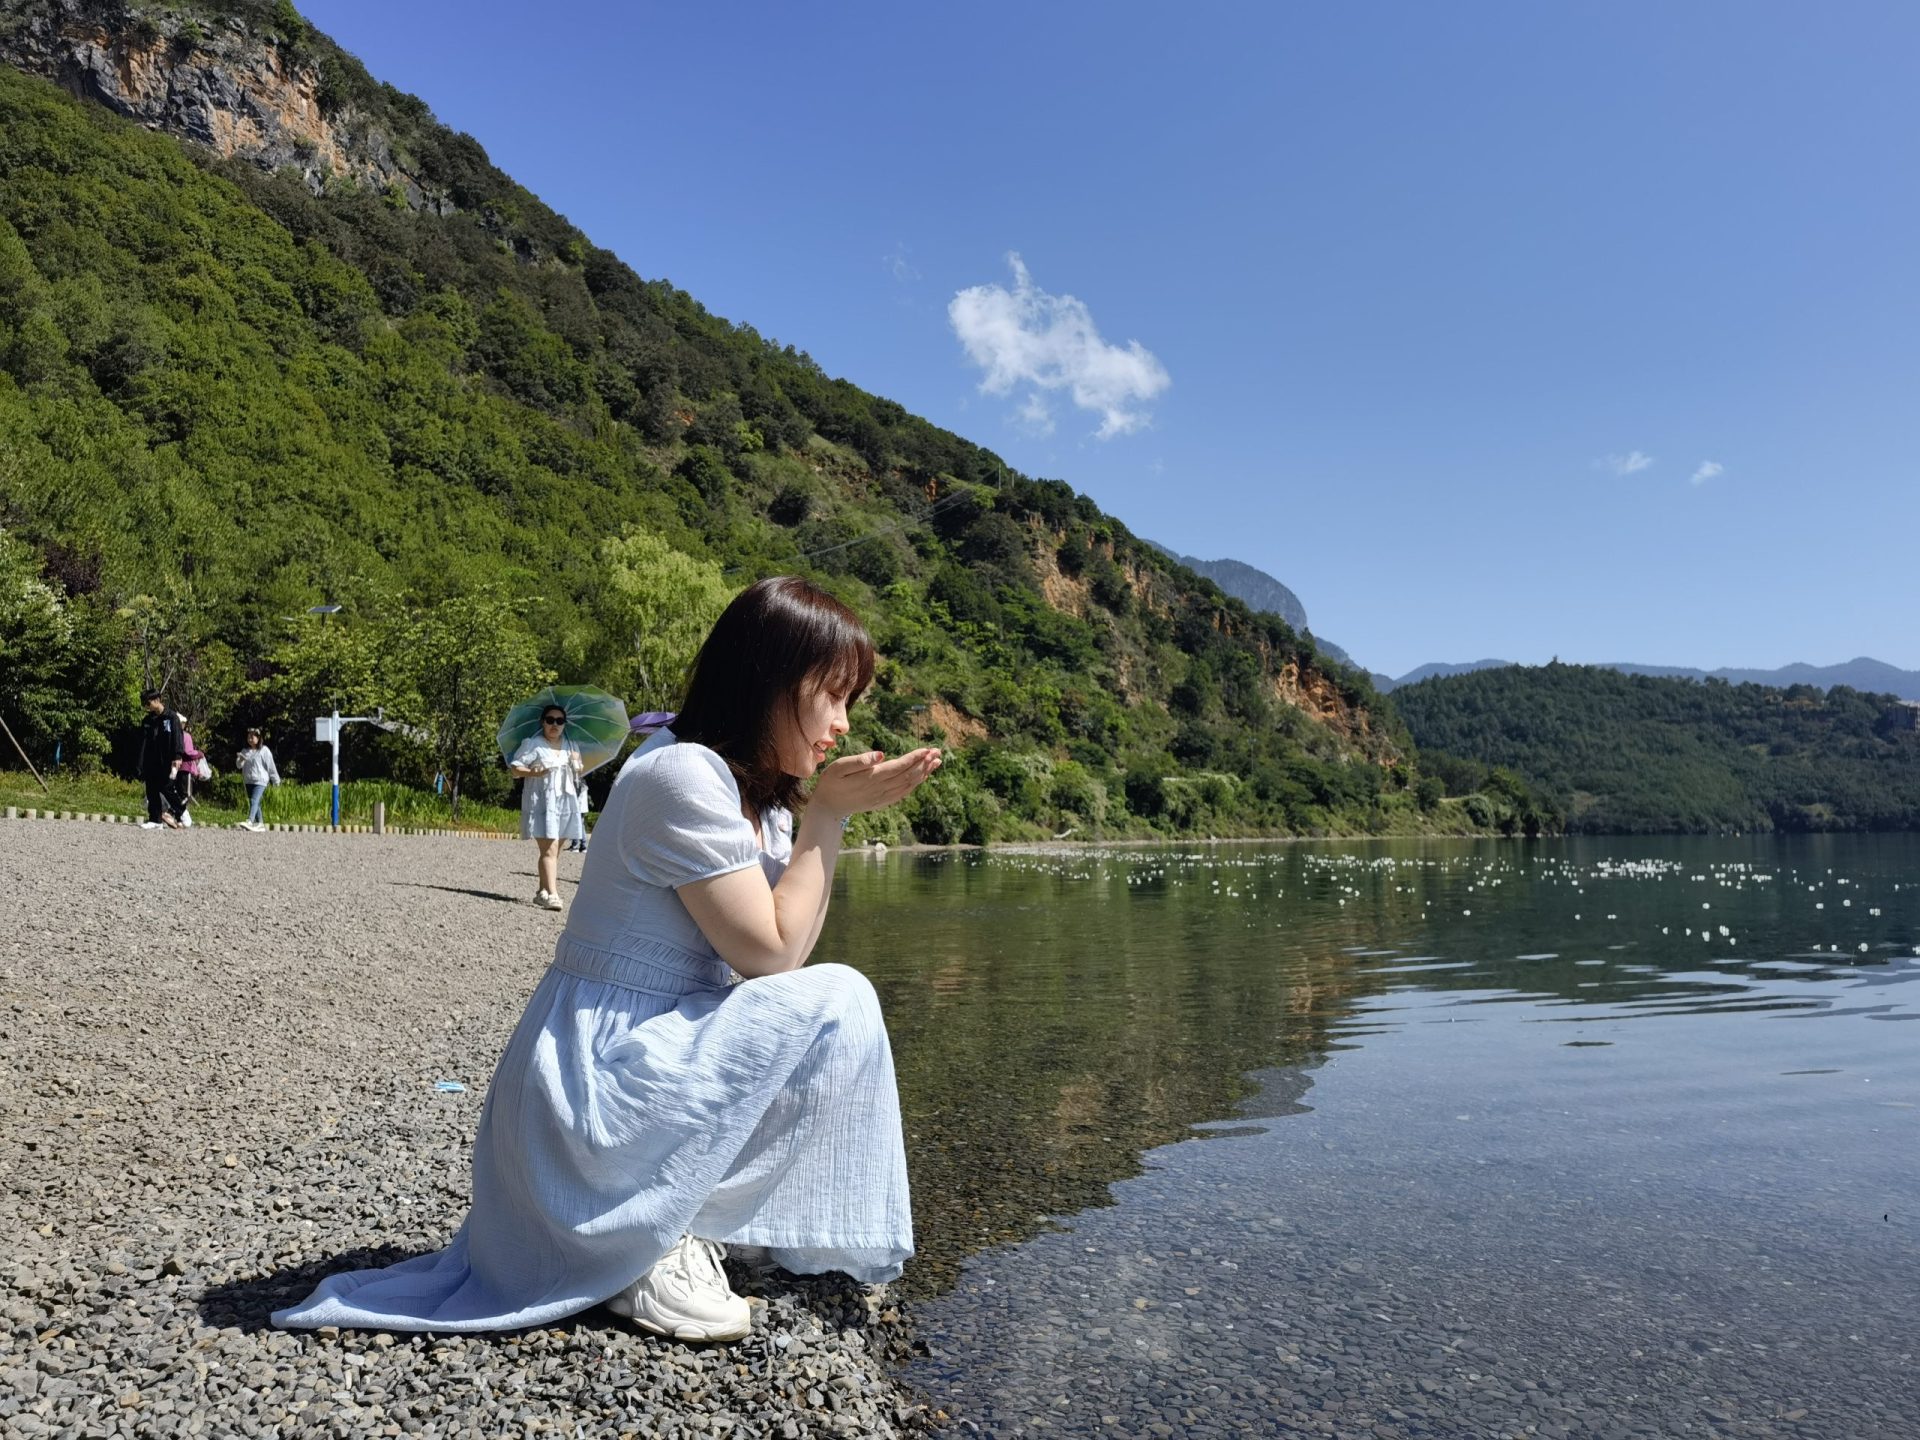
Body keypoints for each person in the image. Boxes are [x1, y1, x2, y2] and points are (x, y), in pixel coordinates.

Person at [273, 576, 942, 1342]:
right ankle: (652, 1240)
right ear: (771, 683)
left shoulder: (750, 800)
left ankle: (680, 1215)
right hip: (589, 1085)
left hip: (638, 1058)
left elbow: (782, 955)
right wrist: (830, 811)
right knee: (838, 999)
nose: (842, 722)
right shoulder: (681, 773)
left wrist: (817, 814)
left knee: (827, 1010)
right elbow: (770, 955)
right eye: (833, 695)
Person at [508, 706, 588, 910]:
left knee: (553, 852)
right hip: (542, 803)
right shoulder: (533, 744)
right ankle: (553, 895)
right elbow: (515, 769)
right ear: (542, 722)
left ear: (564, 724)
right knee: (549, 850)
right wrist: (534, 773)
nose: (555, 725)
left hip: (565, 802)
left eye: (559, 721)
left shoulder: (571, 746)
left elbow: (578, 773)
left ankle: (542, 891)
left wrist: (577, 763)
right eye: (550, 720)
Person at [136, 691, 185, 830]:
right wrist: (140, 762)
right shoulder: (148, 720)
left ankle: (181, 810)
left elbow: (177, 738)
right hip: (152, 759)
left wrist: (178, 756)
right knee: (151, 789)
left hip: (168, 760)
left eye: (148, 702)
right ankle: (155, 819)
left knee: (167, 787)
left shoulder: (172, 718)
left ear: (157, 700)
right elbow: (143, 742)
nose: (146, 706)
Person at [236, 729, 281, 831]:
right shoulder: (245, 751)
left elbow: (271, 766)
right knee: (255, 803)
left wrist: (276, 780)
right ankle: (260, 824)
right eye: (248, 737)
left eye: (252, 737)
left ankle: (250, 821)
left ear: (258, 738)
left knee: (254, 800)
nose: (250, 739)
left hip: (260, 781)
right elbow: (238, 766)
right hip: (248, 781)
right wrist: (241, 759)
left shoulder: (264, 750)